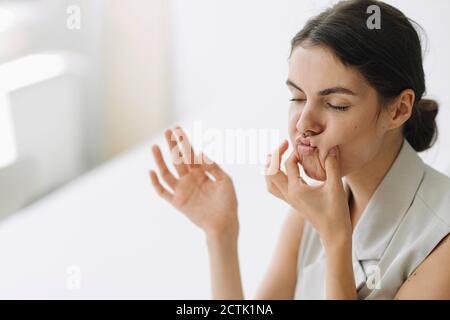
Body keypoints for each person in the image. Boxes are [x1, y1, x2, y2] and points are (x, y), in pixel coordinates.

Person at [149, 0, 450, 299]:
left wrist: (335, 241)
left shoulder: (441, 239)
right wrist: (221, 234)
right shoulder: (312, 206)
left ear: (398, 110)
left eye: (336, 104)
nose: (304, 123)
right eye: (297, 97)